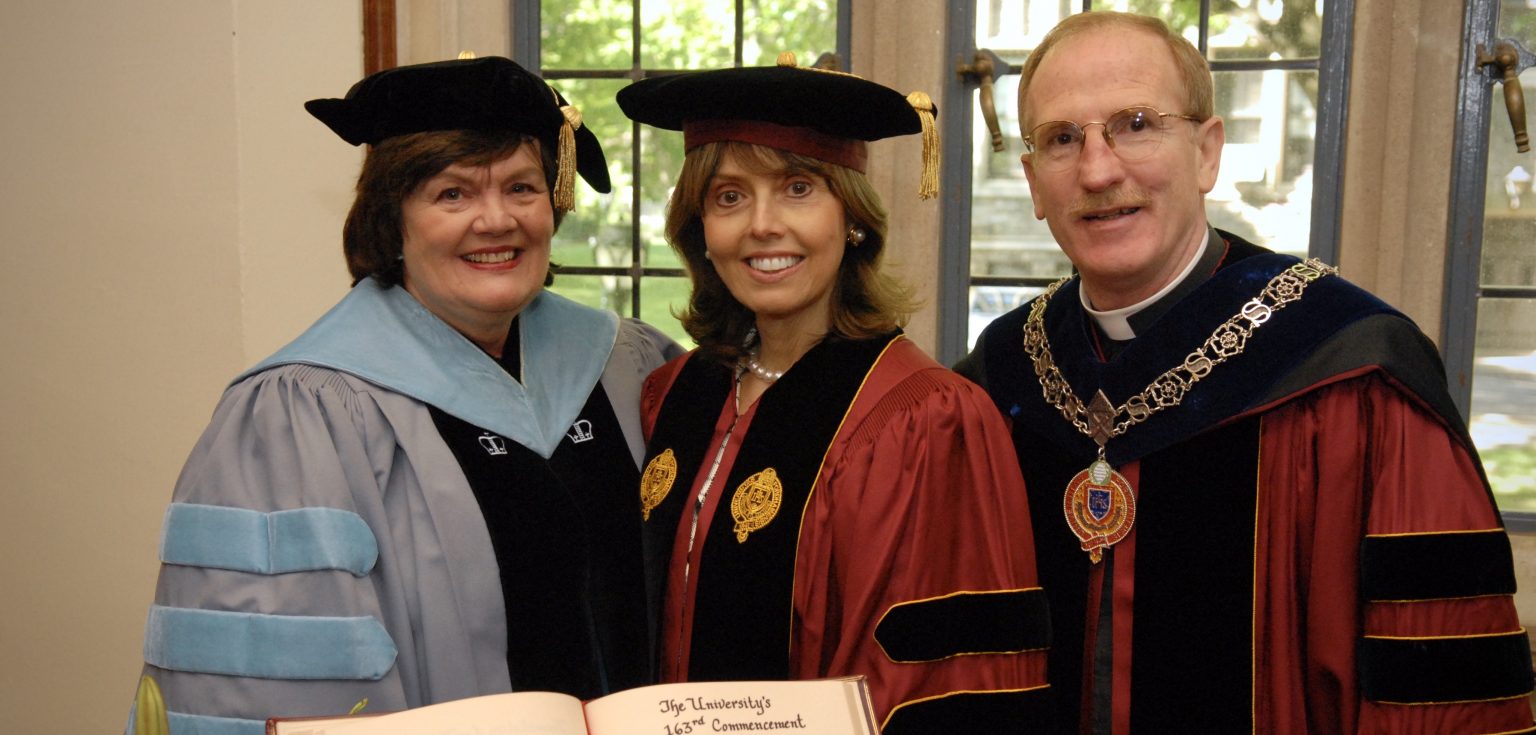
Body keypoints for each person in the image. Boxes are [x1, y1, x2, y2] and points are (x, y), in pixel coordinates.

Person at [956, 11, 1536, 733]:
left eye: (1136, 123)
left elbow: (1441, 692)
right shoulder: (1001, 377)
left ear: (1207, 152)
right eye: (1062, 138)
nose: (1099, 169)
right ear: (1035, 184)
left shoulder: (1352, 372)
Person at [128, 56, 680, 733]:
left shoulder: (627, 365)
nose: (496, 220)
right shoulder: (301, 414)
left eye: (522, 187)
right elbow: (284, 682)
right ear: (394, 218)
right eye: (452, 194)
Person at [616, 53, 1051, 733]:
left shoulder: (924, 421)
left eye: (797, 188)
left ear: (851, 218)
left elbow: (935, 687)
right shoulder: (674, 394)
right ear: (701, 227)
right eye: (729, 196)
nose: (762, 224)